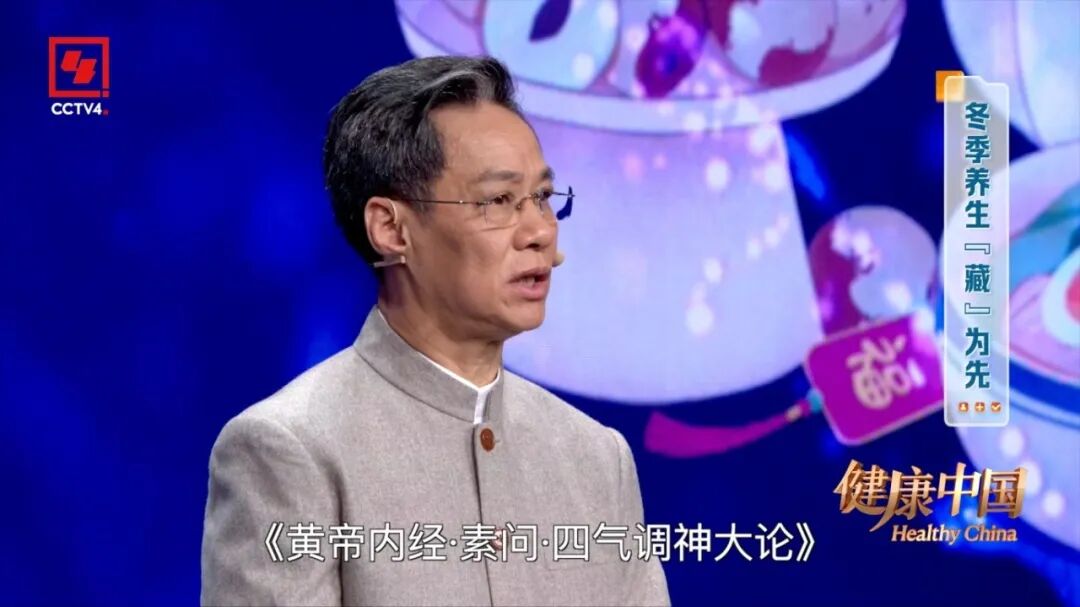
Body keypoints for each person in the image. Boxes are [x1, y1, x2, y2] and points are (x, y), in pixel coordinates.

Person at [200, 55, 670, 607]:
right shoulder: (287, 450)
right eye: (499, 200)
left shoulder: (597, 458)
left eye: (543, 198)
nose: (540, 231)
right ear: (390, 228)